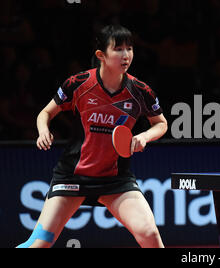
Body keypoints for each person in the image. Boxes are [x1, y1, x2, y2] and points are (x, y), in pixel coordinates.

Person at [17, 25, 167, 248]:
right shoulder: (78, 84)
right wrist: (43, 130)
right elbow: (46, 112)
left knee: (149, 234)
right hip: (72, 177)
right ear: (101, 55)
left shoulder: (140, 91)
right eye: (118, 49)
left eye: (129, 48)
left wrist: (145, 136)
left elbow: (161, 124)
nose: (126, 55)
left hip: (115, 179)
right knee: (39, 243)